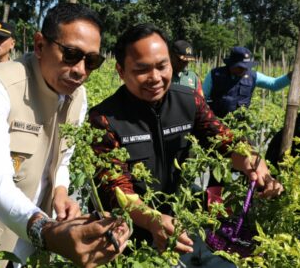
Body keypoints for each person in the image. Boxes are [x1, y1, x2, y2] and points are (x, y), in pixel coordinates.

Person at [0, 3, 130, 267]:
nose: (81, 70)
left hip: (28, 245)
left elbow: (62, 160)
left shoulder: (76, 96)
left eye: (91, 61)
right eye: (71, 54)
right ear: (39, 45)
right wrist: (46, 231)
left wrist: (60, 191)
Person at [88, 24, 283, 255]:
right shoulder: (104, 119)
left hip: (177, 222)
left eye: (162, 66)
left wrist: (253, 161)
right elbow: (117, 189)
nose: (155, 78)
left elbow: (223, 140)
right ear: (121, 71)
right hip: (123, 236)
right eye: (142, 70)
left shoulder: (189, 102)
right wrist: (153, 221)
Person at [203, 46, 291, 118]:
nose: (245, 70)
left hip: (240, 126)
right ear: (232, 64)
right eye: (241, 67)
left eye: (246, 67)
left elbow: (274, 84)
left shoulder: (253, 76)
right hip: (216, 123)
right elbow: (202, 97)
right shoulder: (215, 74)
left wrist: (291, 76)